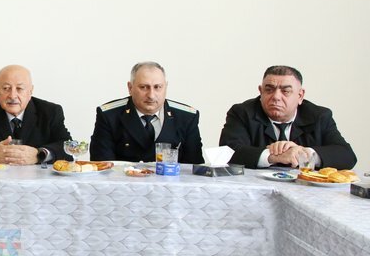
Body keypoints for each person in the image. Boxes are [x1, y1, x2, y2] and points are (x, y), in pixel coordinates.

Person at [219, 65, 356, 169]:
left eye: (285, 91)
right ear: (261, 92)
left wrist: (303, 154)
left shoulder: (319, 116)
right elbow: (226, 153)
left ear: (300, 96)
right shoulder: (242, 113)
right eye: (269, 90)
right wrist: (273, 156)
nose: (276, 97)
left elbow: (347, 155)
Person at [90, 61, 203, 164]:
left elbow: (194, 167)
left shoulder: (186, 117)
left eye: (157, 87)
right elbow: (102, 166)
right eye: (144, 87)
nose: (151, 95)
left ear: (166, 87)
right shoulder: (109, 116)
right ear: (130, 88)